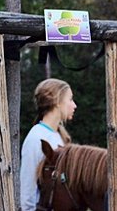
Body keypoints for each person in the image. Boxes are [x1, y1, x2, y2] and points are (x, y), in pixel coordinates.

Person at [20, 78, 76, 211]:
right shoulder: (36, 137)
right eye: (70, 99)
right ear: (57, 101)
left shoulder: (59, 137)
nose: (74, 105)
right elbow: (28, 187)